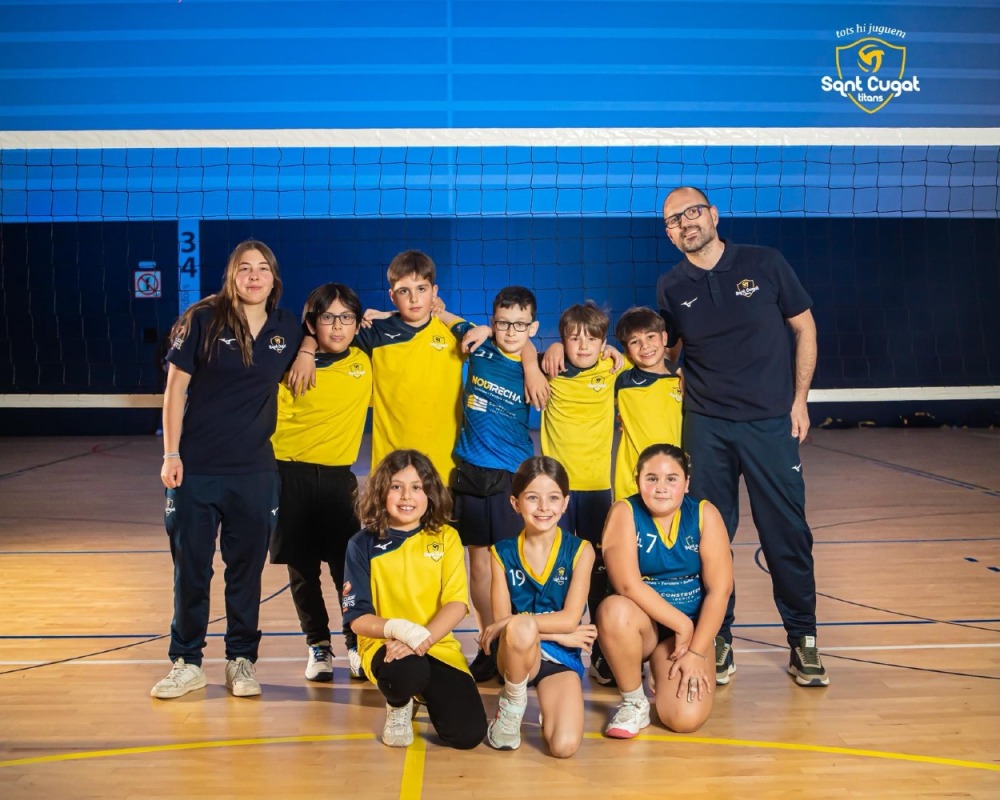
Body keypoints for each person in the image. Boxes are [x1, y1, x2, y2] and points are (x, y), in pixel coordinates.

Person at [657, 186, 827, 687]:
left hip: (769, 422)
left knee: (786, 534)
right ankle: (718, 637)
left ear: (713, 214)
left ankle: (803, 639)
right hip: (706, 425)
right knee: (708, 537)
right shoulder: (671, 285)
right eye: (674, 220)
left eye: (692, 212)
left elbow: (805, 329)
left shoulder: (765, 262)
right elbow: (666, 352)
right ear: (669, 234)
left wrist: (799, 400)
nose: (685, 223)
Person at [154, 240, 303, 699]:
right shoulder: (203, 320)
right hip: (197, 469)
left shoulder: (287, 327)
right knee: (192, 571)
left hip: (255, 473)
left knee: (245, 573)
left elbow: (334, 328)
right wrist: (171, 454)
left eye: (263, 269)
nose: (254, 276)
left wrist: (307, 350)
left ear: (274, 280)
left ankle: (241, 660)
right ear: (231, 277)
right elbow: (175, 390)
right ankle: (187, 661)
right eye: (244, 268)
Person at [341, 449, 487, 750]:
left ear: (429, 493)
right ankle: (398, 705)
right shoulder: (361, 544)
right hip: (386, 647)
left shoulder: (447, 537)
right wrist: (400, 631)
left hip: (436, 643)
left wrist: (418, 639)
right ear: (382, 491)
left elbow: (456, 604)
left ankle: (421, 691)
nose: (407, 496)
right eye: (397, 486)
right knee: (407, 671)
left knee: (467, 734)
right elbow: (357, 619)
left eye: (417, 487)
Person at [269, 283, 372, 683]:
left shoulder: (365, 359)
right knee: (302, 570)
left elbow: (404, 324)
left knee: (346, 569)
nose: (338, 326)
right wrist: (305, 350)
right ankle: (318, 645)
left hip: (336, 478)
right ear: (312, 323)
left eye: (346, 317)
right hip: (288, 473)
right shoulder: (287, 361)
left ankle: (355, 642)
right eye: (328, 317)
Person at [597, 443, 731, 738]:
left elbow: (719, 591)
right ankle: (634, 701)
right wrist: (681, 624)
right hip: (644, 627)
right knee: (613, 610)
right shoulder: (625, 512)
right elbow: (627, 584)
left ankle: (663, 667)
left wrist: (695, 651)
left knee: (684, 719)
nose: (661, 488)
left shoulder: (704, 514)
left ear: (686, 483)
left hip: (688, 637)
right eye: (652, 478)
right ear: (638, 481)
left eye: (671, 479)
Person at [447, 287, 542, 683]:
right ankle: (489, 643)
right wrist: (381, 315)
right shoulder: (478, 344)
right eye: (503, 323)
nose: (511, 332)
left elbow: (582, 349)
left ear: (533, 327)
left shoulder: (536, 363)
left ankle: (516, 644)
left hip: (510, 477)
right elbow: (439, 312)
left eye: (520, 325)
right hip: (470, 470)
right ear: (492, 321)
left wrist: (533, 361)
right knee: (479, 564)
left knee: (510, 565)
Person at [479, 455, 596, 757]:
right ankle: (513, 702)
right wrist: (561, 634)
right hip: (517, 654)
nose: (544, 507)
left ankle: (550, 707)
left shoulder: (581, 551)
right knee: (519, 627)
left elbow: (570, 618)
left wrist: (556, 633)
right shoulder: (501, 553)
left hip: (560, 657)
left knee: (564, 746)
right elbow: (506, 625)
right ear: (516, 503)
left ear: (565, 503)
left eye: (553, 498)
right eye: (532, 498)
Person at [537, 302, 619, 684]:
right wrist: (544, 352)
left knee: (600, 573)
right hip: (557, 494)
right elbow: (521, 351)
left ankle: (603, 651)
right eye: (573, 338)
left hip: (598, 490)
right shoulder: (549, 368)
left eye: (592, 338)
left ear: (603, 342)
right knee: (558, 571)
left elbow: (651, 361)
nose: (583, 345)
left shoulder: (612, 368)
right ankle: (556, 648)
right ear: (562, 341)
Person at [612, 307, 683, 501]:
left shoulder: (682, 381)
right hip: (632, 482)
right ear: (627, 351)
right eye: (635, 341)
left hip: (672, 478)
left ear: (664, 338)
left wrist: (678, 370)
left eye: (651, 336)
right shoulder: (622, 379)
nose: (645, 346)